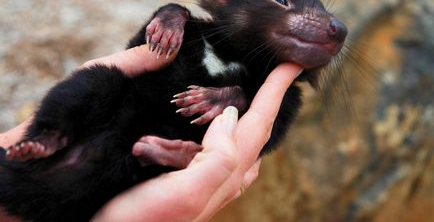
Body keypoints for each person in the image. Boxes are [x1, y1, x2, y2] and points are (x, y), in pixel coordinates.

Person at [0, 44, 302, 222]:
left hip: (119, 159)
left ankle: (52, 138)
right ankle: (51, 135)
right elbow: (147, 48)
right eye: (282, 1)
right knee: (102, 79)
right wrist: (171, 17)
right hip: (100, 122)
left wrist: (236, 98)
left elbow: (265, 137)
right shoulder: (193, 28)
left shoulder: (287, 96)